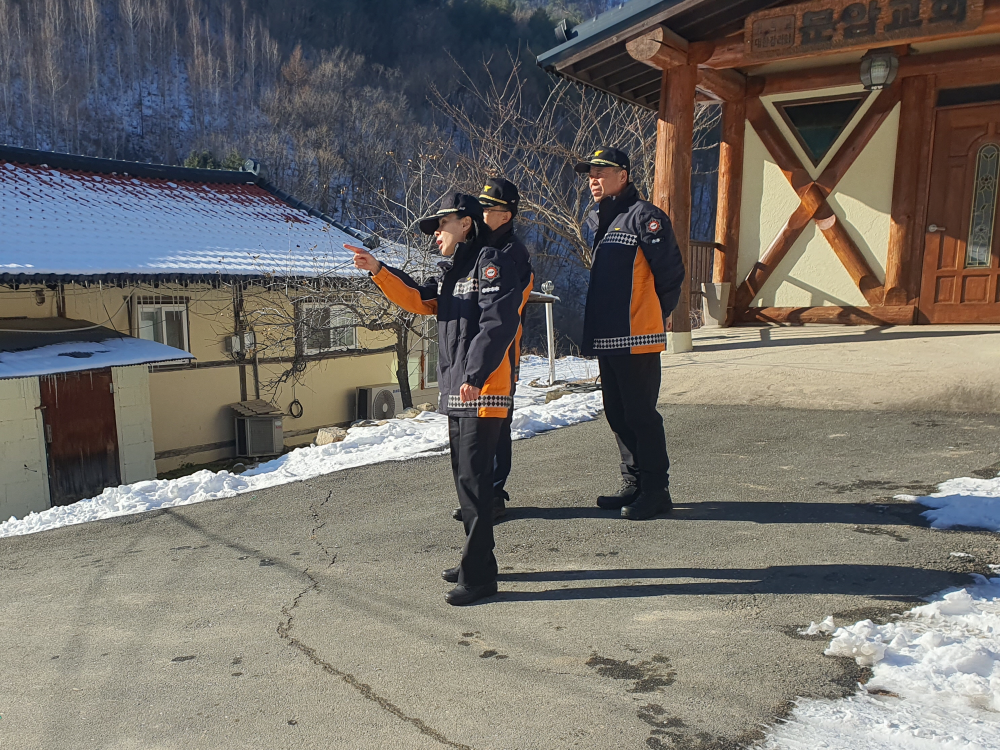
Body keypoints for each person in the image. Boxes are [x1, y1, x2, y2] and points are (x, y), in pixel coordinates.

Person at [348, 192, 532, 605]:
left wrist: (475, 374)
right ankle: (474, 561)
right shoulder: (455, 273)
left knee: (476, 483)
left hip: (481, 391)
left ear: (465, 223)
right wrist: (377, 270)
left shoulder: (491, 262)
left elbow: (499, 322)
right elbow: (417, 298)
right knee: (466, 483)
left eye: (441, 227)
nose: (435, 237)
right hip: (461, 390)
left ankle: (480, 575)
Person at [575, 146, 685, 521]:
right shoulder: (600, 220)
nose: (593, 179)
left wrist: (656, 314)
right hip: (609, 336)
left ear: (623, 176)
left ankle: (656, 489)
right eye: (590, 174)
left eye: (601, 173)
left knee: (641, 414)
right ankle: (633, 481)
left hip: (637, 335)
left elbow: (670, 273)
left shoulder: (646, 217)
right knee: (617, 413)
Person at [451, 177, 533, 524]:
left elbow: (505, 313)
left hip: (501, 356)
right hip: (470, 357)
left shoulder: (512, 255)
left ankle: (494, 493)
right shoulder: (475, 250)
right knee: (476, 432)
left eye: (490, 209)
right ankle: (478, 498)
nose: (482, 214)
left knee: (497, 425)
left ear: (507, 215)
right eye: (480, 207)